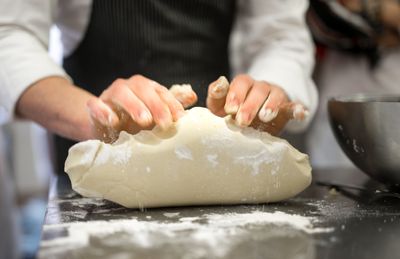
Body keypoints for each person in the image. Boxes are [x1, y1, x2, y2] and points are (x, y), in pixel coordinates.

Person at [0, 0, 317, 173]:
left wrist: (267, 97)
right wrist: (97, 118)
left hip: (219, 154)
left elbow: (280, 36)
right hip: (99, 155)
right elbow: (10, 36)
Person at [306, 0, 400, 168]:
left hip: (392, 75)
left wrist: (376, 10)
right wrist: (380, 10)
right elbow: (318, 14)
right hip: (342, 78)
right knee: (334, 176)